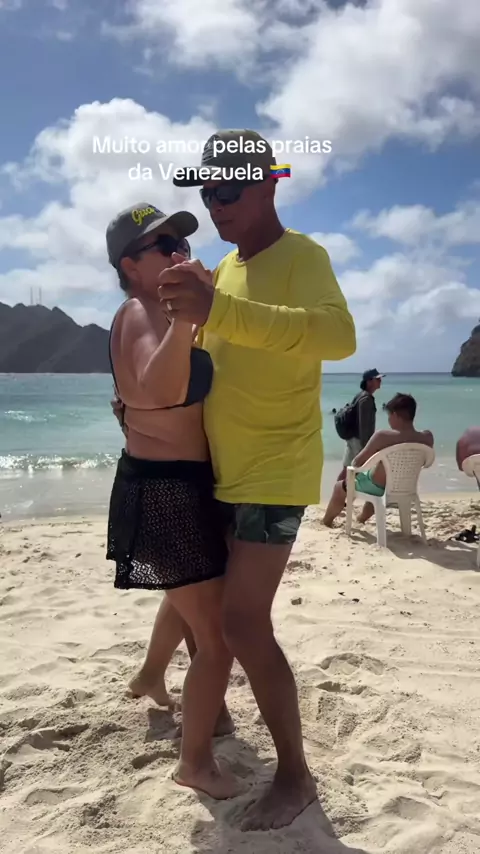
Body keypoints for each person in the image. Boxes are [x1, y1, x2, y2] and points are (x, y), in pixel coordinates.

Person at [153, 129, 356, 831]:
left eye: (228, 190)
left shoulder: (303, 256)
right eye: (207, 193)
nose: (216, 205)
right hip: (217, 467)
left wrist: (219, 310)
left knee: (242, 622)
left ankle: (295, 775)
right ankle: (211, 712)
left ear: (270, 183)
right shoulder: (223, 269)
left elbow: (338, 336)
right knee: (195, 603)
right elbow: (212, 366)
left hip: (275, 466)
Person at [105, 202, 238, 799]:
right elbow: (156, 390)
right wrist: (185, 320)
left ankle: (152, 677)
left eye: (181, 243)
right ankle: (195, 763)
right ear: (130, 266)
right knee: (218, 634)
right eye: (163, 246)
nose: (179, 252)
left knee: (188, 596)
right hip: (164, 490)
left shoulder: (162, 312)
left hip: (183, 483)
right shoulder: (139, 312)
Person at [323, 392, 434, 527]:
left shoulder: (383, 436)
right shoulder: (427, 437)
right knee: (375, 480)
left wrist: (372, 461)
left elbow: (357, 462)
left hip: (378, 488)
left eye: (389, 416)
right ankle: (361, 519)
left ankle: (326, 522)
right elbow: (427, 462)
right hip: (406, 487)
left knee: (340, 487)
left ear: (394, 415)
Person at [337, 369, 384, 480]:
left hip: (352, 438)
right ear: (369, 381)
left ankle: (338, 489)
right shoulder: (366, 399)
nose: (380, 381)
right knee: (360, 472)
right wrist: (366, 448)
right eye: (377, 379)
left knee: (347, 470)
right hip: (358, 441)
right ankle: (346, 489)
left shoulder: (360, 395)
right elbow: (363, 425)